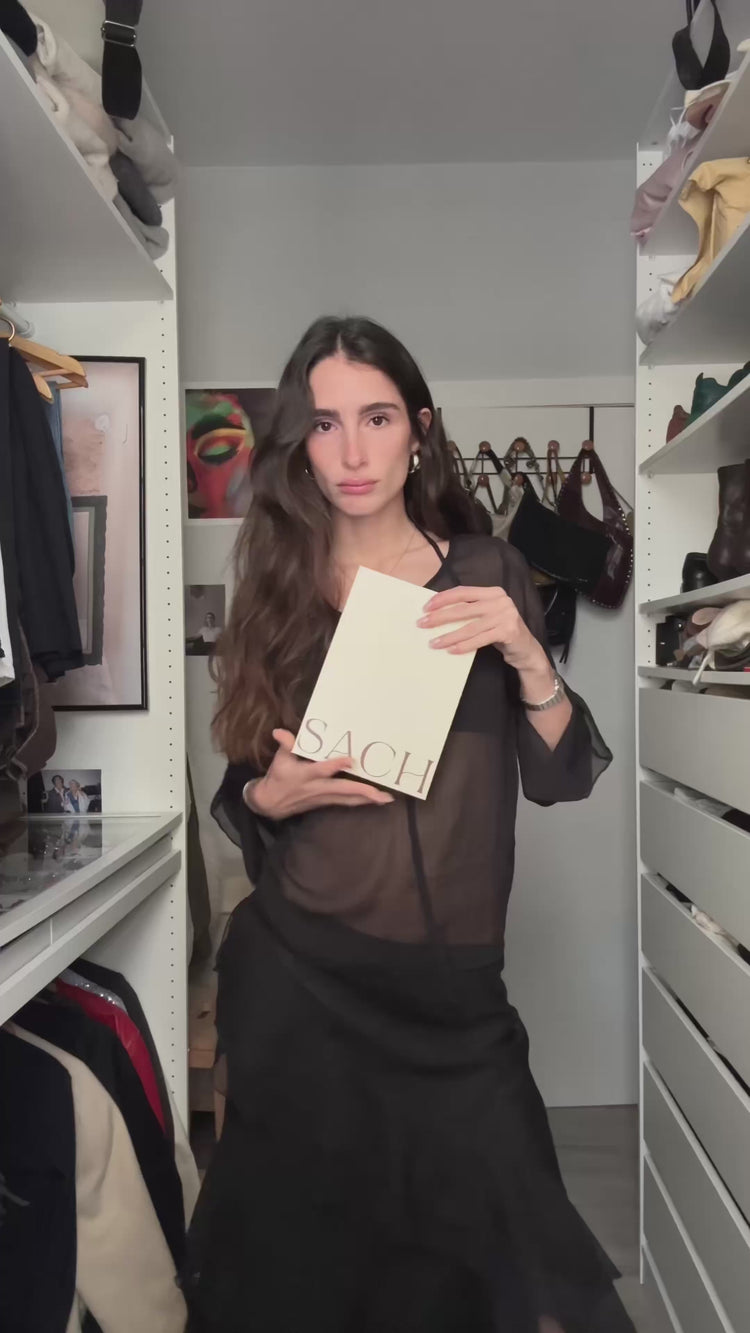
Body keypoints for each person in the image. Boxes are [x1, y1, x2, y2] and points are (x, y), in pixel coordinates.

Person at [184, 317, 634, 1333]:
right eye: (325, 423)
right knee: (306, 1286)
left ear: (420, 430)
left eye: (377, 418)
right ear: (300, 442)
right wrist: (268, 799)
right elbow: (248, 789)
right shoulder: (277, 591)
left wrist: (530, 656)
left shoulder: (486, 573)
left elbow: (562, 776)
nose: (351, 450)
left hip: (453, 1004)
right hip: (301, 979)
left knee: (514, 1289)